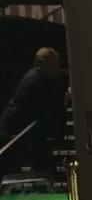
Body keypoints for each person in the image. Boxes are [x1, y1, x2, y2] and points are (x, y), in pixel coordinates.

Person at [0, 47, 67, 175]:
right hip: (13, 131)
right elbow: (44, 109)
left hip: (24, 129)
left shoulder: (45, 78)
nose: (56, 67)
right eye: (53, 64)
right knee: (14, 167)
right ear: (41, 65)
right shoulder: (33, 80)